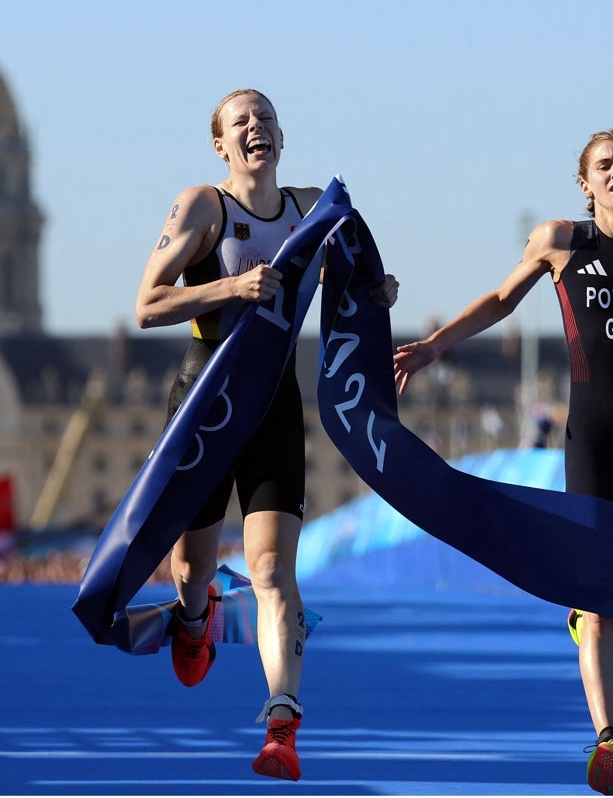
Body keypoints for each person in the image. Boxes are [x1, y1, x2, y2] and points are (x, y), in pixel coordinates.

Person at [393, 129, 613, 796]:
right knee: (600, 607)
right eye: (604, 166)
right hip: (593, 442)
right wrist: (434, 347)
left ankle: (587, 622)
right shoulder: (560, 240)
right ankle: (610, 742)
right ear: (584, 183)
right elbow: (502, 299)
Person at [135, 88, 398, 782]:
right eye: (241, 122)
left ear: (282, 137)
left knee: (273, 571)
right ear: (221, 145)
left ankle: (282, 723)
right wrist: (230, 288)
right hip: (204, 399)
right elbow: (146, 305)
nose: (258, 128)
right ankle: (194, 617)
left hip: (274, 402)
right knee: (190, 568)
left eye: (268, 119)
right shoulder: (202, 206)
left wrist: (377, 293)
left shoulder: (310, 207)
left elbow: (350, 278)